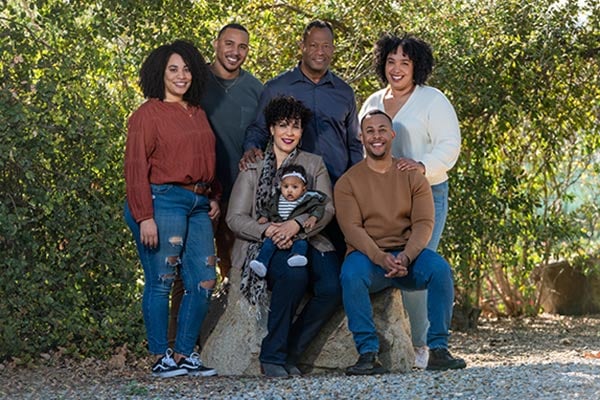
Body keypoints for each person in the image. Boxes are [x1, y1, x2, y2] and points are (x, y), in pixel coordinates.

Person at [335, 110, 466, 375]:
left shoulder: (412, 175)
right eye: (370, 131)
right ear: (361, 137)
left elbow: (424, 224)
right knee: (350, 275)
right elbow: (352, 230)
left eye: (382, 129)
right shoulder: (348, 182)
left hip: (409, 258)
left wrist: (406, 256)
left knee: (440, 269)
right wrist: (380, 257)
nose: (377, 136)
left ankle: (438, 350)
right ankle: (368, 354)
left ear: (392, 134)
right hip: (369, 259)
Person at [359, 32, 461, 369]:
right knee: (387, 266)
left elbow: (450, 147)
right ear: (382, 64)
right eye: (391, 61)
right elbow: (363, 150)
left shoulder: (432, 100)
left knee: (418, 264)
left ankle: (425, 346)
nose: (397, 68)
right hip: (383, 201)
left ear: (417, 66)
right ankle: (395, 342)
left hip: (427, 194)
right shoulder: (372, 102)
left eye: (405, 62)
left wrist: (420, 166)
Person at [124, 40, 219, 378]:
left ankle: (183, 354)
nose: (182, 75)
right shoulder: (147, 114)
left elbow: (207, 159)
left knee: (205, 280)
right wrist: (144, 215)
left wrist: (214, 196)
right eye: (173, 69)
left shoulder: (197, 112)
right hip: (161, 199)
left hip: (197, 203)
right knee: (161, 280)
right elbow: (135, 167)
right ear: (159, 74)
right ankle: (159, 356)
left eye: (187, 68)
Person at [227, 96, 341, 377]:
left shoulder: (314, 164)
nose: (289, 132)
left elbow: (327, 207)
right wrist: (269, 230)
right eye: (283, 125)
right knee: (293, 276)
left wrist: (296, 225)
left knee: (332, 287)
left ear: (302, 132)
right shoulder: (253, 166)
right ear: (271, 129)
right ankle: (272, 356)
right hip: (263, 243)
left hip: (309, 238)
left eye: (296, 126)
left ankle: (291, 350)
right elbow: (235, 217)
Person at [167, 23, 263, 347]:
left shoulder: (256, 89)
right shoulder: (193, 82)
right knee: (187, 271)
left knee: (237, 270)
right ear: (216, 44)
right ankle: (174, 349)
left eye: (243, 46)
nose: (235, 51)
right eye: (229, 44)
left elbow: (263, 136)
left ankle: (227, 346)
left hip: (240, 198)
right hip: (198, 196)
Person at [240, 19, 363, 261]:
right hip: (291, 195)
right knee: (294, 267)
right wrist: (251, 149)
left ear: (333, 49)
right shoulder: (277, 87)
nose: (320, 52)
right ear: (303, 46)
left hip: (336, 193)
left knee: (337, 263)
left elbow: (354, 144)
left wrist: (356, 182)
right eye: (314, 45)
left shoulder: (344, 92)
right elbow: (258, 129)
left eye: (326, 46)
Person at [249, 164, 328, 277]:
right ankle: (262, 263)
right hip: (277, 230)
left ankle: (297, 256)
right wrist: (265, 216)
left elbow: (318, 207)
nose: (289, 191)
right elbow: (268, 208)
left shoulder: (308, 198)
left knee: (302, 242)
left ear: (303, 188)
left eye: (295, 187)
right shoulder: (277, 198)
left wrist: (313, 217)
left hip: (297, 233)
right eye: (286, 187)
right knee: (268, 244)